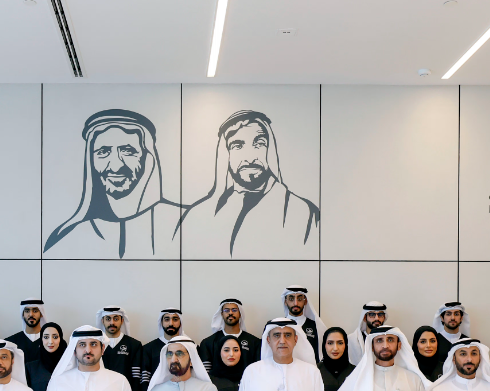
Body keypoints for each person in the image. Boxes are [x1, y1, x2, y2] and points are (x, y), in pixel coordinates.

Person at [179, 110, 319, 259]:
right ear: (226, 155)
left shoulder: (303, 212)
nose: (250, 158)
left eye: (259, 144)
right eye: (237, 146)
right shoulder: (198, 214)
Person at [44, 109, 182, 259]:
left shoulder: (180, 223)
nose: (115, 166)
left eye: (127, 151)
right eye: (103, 152)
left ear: (147, 157)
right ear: (91, 160)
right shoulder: (67, 237)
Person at [97, 306, 144, 391]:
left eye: (116, 319)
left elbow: (136, 377)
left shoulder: (134, 345)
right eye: (108, 319)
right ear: (102, 321)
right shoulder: (95, 345)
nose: (112, 323)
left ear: (122, 321)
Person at [199, 298, 261, 372]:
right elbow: (206, 373)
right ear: (222, 314)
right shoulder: (208, 343)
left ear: (240, 313)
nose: (230, 313)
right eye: (226, 310)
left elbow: (257, 370)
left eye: (234, 310)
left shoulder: (255, 342)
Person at [281, 286, 323, 361]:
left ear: (305, 301)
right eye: (291, 299)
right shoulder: (279, 326)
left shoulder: (315, 326)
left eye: (299, 299)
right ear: (285, 302)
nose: (295, 303)